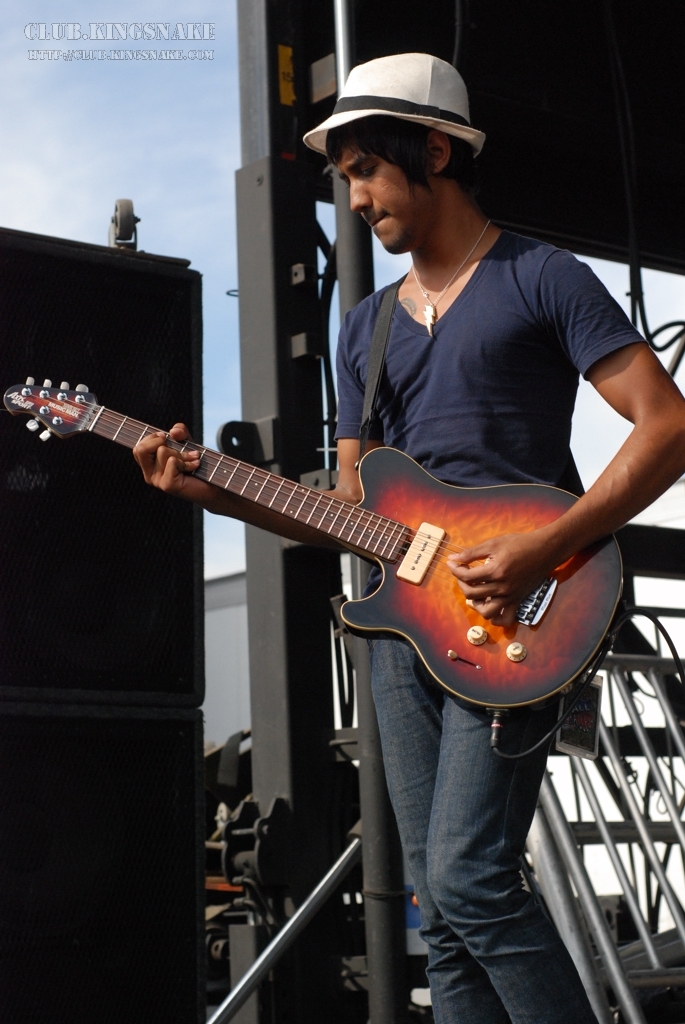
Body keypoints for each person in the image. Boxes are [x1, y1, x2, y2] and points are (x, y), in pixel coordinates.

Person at [134, 53, 685, 1024]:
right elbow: (353, 508)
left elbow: (666, 425)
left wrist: (540, 548)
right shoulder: (365, 328)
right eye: (343, 179)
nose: (353, 199)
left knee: (472, 880)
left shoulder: (542, 276)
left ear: (432, 151)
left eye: (364, 171)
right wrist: (212, 493)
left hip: (529, 606)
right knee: (444, 900)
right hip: (404, 632)